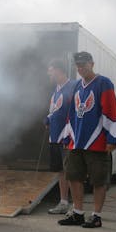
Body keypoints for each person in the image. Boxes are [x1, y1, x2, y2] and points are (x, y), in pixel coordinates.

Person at [58, 52, 116, 228]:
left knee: (99, 180)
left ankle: (96, 216)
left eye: (83, 64)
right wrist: (67, 134)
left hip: (97, 142)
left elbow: (111, 111)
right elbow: (72, 113)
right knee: (74, 176)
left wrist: (112, 138)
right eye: (78, 65)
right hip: (76, 141)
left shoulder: (103, 83)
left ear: (92, 63)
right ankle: (77, 213)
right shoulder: (77, 85)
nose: (80, 68)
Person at [45, 59, 77, 215]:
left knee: (71, 170)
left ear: (59, 70)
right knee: (61, 171)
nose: (48, 73)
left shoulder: (73, 86)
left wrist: (69, 134)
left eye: (50, 70)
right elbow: (53, 110)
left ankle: (75, 206)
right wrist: (48, 118)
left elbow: (76, 112)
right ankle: (63, 202)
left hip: (67, 137)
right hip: (55, 136)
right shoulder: (56, 90)